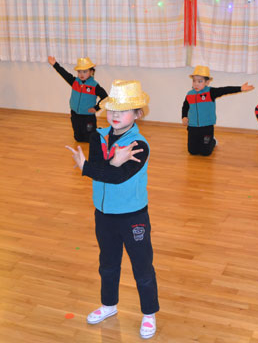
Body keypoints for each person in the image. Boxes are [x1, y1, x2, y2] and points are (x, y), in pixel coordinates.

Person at [66, 80, 159, 339]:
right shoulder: (98, 136)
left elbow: (117, 177)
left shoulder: (139, 145)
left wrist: (88, 168)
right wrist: (111, 162)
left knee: (142, 266)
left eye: (123, 110)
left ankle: (149, 313)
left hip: (133, 216)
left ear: (138, 113)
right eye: (112, 109)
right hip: (104, 215)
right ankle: (109, 305)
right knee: (107, 263)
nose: (115, 115)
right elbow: (103, 169)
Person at [181, 66, 254, 156]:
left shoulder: (210, 92)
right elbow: (185, 107)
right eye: (194, 81)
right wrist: (184, 117)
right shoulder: (189, 94)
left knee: (205, 153)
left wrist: (240, 88)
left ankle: (213, 141)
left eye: (200, 81)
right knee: (192, 151)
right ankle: (200, 143)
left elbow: (224, 90)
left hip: (207, 128)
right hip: (193, 127)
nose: (196, 84)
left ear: (207, 82)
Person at [48, 56, 108, 142]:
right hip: (75, 115)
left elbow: (105, 97)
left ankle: (98, 131)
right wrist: (55, 64)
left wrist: (96, 108)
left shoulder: (94, 86)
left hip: (88, 117)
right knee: (78, 138)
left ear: (91, 72)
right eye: (79, 72)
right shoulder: (74, 82)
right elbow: (64, 73)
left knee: (90, 138)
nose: (81, 74)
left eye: (85, 71)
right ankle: (87, 132)